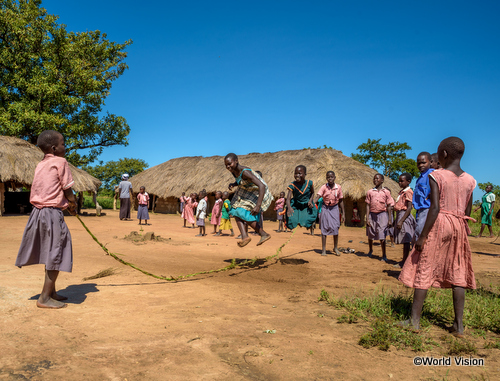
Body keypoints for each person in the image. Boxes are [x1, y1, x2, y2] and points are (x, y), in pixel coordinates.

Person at [399, 137, 476, 338]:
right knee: (458, 272)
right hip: (460, 225)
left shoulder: (437, 176)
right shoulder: (470, 180)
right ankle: (458, 326)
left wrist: (423, 236)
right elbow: (467, 209)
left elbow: (435, 208)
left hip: (440, 223)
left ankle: (414, 321)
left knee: (424, 266)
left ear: (442, 155)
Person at [15, 130, 77, 309]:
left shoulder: (40, 165)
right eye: (63, 144)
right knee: (57, 252)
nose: (65, 147)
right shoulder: (61, 162)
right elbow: (68, 190)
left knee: (51, 252)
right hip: (51, 213)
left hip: (37, 213)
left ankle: (52, 292)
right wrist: (72, 205)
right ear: (54, 148)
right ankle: (44, 298)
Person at [224, 153, 273, 247]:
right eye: (226, 165)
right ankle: (245, 236)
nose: (228, 166)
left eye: (229, 164)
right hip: (247, 189)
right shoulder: (233, 170)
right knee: (234, 210)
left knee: (241, 212)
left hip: (258, 191)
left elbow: (261, 186)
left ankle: (263, 234)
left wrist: (258, 206)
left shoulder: (245, 172)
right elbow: (241, 180)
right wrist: (234, 184)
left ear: (236, 161)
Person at [365, 173, 394, 262]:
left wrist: (389, 219)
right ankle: (370, 250)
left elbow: (389, 205)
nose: (375, 180)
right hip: (372, 214)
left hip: (382, 215)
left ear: (382, 180)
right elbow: (367, 205)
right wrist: (367, 218)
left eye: (377, 178)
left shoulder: (386, 192)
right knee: (370, 233)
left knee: (382, 234)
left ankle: (384, 254)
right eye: (374, 179)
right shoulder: (370, 192)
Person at [315, 171, 344, 256]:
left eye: (331, 177)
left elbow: (341, 201)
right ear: (326, 178)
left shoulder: (338, 187)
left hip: (335, 208)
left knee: (335, 228)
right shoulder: (324, 187)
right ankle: (323, 249)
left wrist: (343, 213)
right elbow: (318, 197)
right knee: (324, 228)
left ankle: (335, 248)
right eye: (328, 177)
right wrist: (312, 203)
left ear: (334, 177)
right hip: (325, 208)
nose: (330, 178)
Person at [392, 173, 416, 268]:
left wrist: (401, 221)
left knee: (406, 240)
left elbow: (409, 208)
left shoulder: (408, 192)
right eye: (399, 181)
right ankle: (404, 260)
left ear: (408, 182)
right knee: (404, 239)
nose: (399, 182)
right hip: (400, 214)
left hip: (404, 216)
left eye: (402, 181)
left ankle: (404, 261)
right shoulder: (401, 192)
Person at [285, 165, 317, 231]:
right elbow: (288, 199)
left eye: (300, 173)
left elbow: (313, 193)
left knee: (310, 217)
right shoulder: (292, 185)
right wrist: (289, 207)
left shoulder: (309, 183)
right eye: (295, 173)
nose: (297, 175)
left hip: (306, 205)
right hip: (296, 205)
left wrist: (310, 201)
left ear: (305, 174)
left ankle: (307, 225)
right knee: (291, 219)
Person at [413, 152, 434, 243]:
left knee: (420, 234)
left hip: (427, 209)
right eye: (418, 163)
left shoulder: (432, 175)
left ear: (431, 162)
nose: (420, 165)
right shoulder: (420, 178)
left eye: (423, 163)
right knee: (417, 233)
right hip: (420, 210)